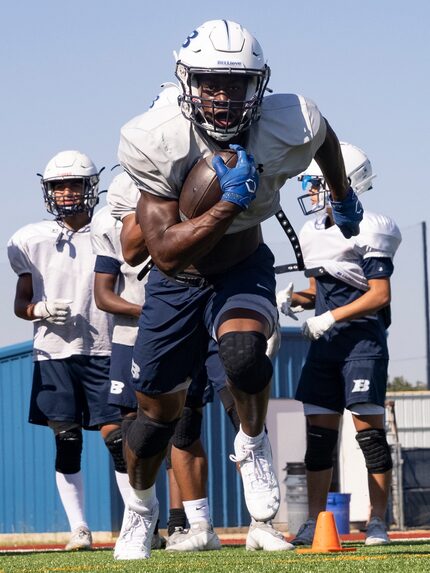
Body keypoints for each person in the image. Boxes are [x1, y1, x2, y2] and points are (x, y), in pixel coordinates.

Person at [114, 19, 363, 560]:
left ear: (259, 85)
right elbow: (162, 252)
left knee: (245, 355)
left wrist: (341, 195)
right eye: (210, 83)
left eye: (237, 84)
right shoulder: (155, 138)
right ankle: (140, 511)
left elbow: (323, 139)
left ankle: (251, 443)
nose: (223, 97)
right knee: (154, 423)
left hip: (242, 264)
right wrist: (229, 201)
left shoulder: (289, 119)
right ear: (188, 83)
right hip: (175, 283)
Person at [277, 142, 401, 546]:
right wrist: (294, 300)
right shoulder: (314, 232)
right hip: (326, 345)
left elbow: (378, 294)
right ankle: (315, 520)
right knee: (318, 440)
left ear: (342, 181)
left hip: (361, 343)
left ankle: (378, 519)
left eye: (316, 182)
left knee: (369, 436)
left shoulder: (371, 226)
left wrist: (330, 316)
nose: (311, 191)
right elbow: (322, 291)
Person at [7, 150, 127, 551]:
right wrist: (38, 309)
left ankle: (138, 519)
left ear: (91, 186)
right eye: (58, 185)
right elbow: (20, 304)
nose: (66, 192)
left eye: (74, 183)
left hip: (105, 345)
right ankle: (79, 528)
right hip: (54, 351)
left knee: (119, 438)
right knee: (67, 439)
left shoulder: (111, 226)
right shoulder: (29, 238)